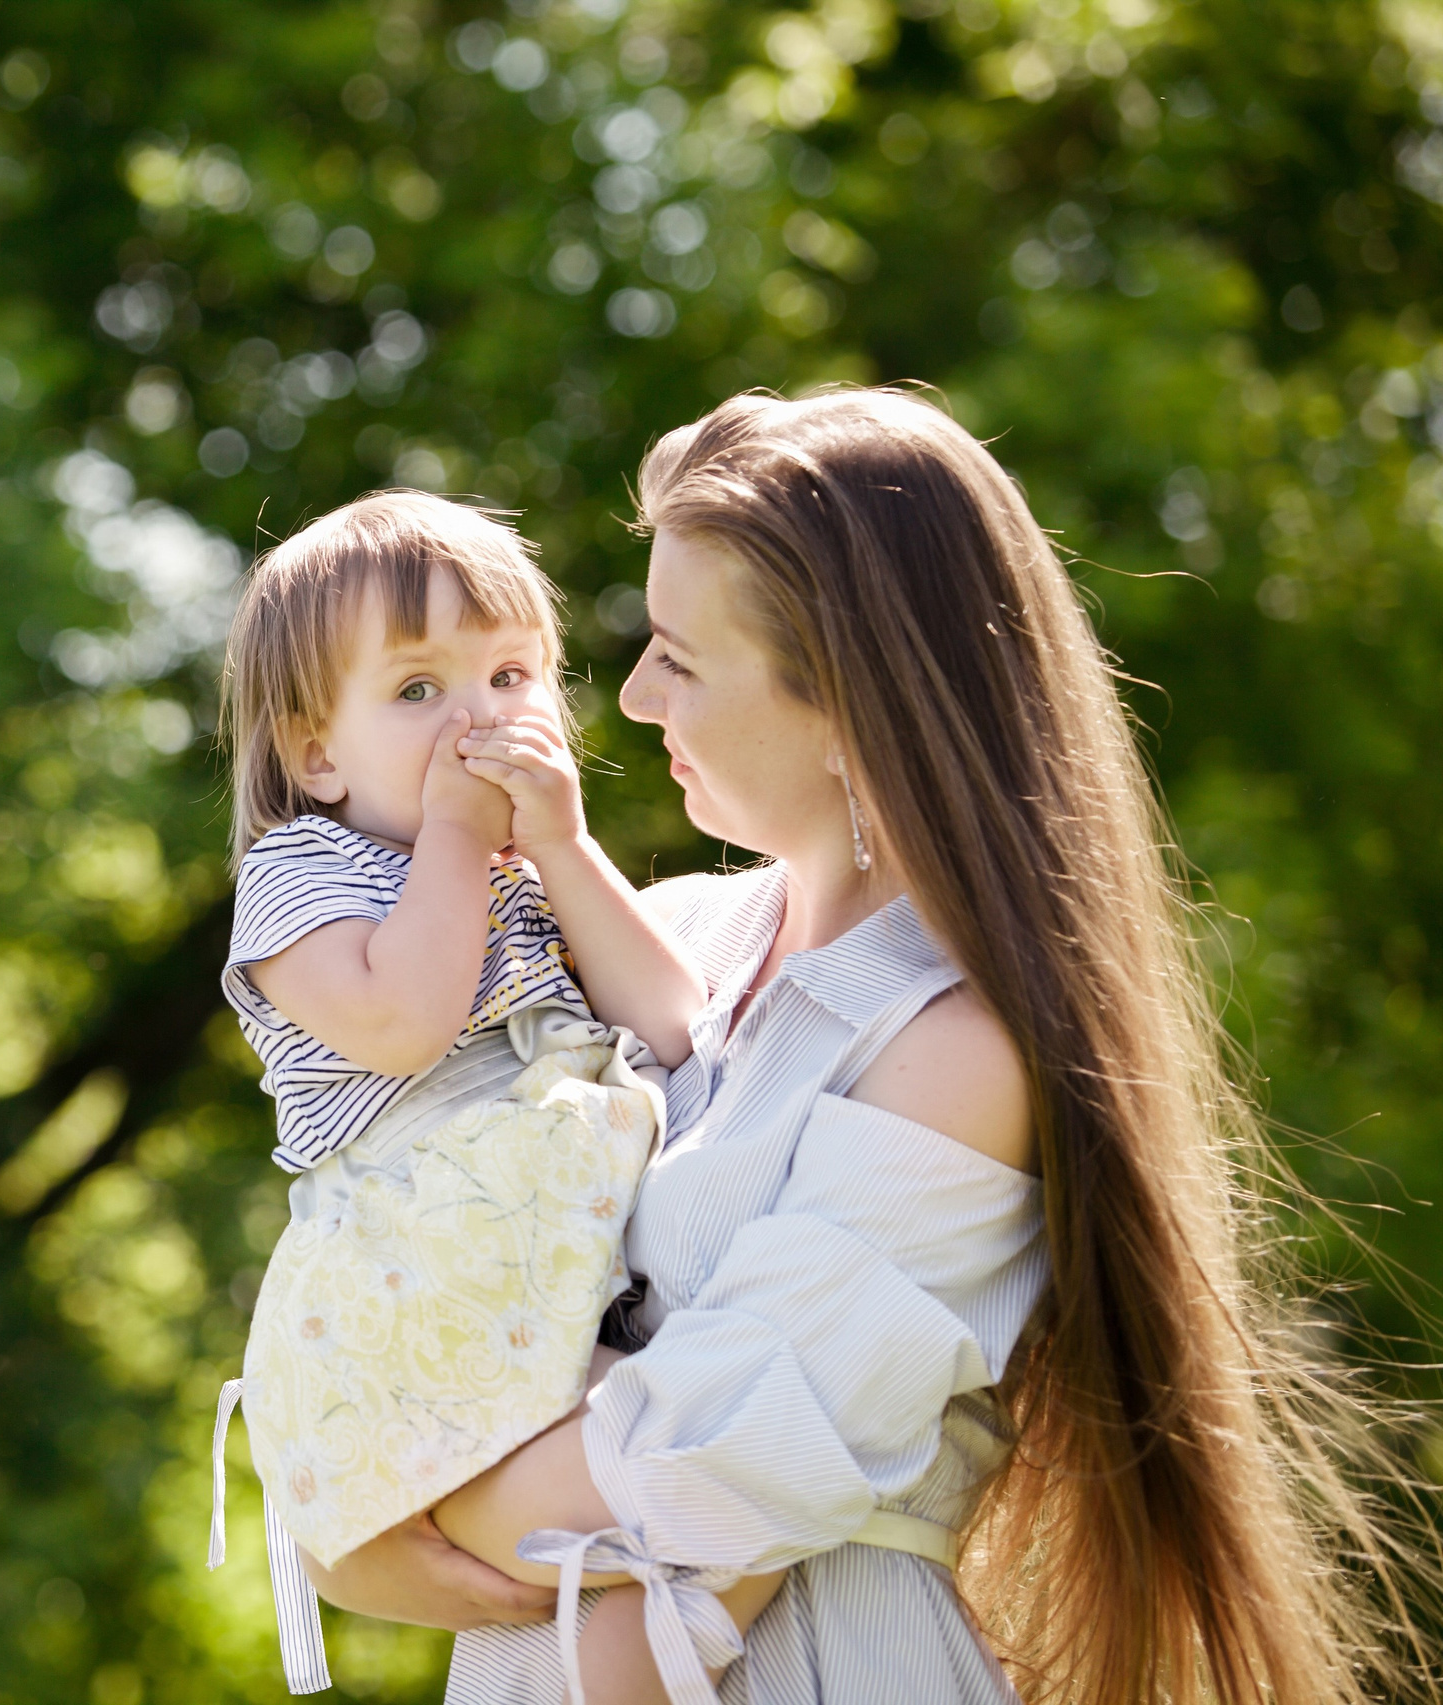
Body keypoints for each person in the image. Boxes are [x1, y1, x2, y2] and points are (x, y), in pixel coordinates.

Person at [303, 388, 1418, 1705]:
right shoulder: (653, 940)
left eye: (683, 656)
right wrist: (354, 1510)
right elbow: (381, 1253)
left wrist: (381, 1492)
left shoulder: (953, 1051)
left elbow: (701, 1473)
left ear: (847, 708)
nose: (641, 695)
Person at [208, 491, 717, 1693]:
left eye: (509, 675)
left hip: (560, 1277)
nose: (476, 719)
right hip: (420, 1275)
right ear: (316, 751)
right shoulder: (299, 877)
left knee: (683, 1480)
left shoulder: (524, 875)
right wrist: (453, 840)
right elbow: (401, 1023)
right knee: (666, 1486)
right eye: (417, 691)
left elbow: (674, 1026)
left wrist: (565, 847)